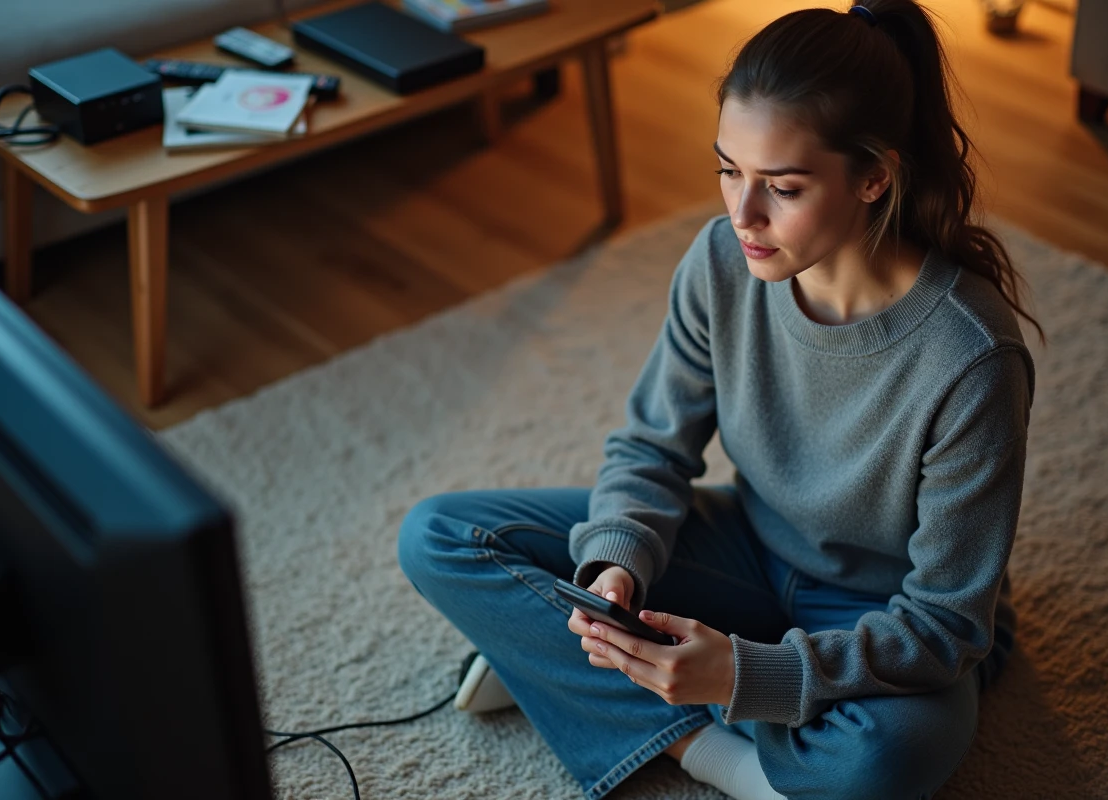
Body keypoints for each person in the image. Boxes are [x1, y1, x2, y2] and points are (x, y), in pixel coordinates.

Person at [398, 2, 1043, 798]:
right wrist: (616, 568)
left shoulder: (971, 358)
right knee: (440, 536)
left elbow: (947, 625)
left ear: (875, 176)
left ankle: (623, 703)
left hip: (880, 613)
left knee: (879, 759)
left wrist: (744, 673)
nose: (743, 215)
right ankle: (661, 697)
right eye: (728, 170)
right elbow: (652, 448)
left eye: (783, 186)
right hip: (749, 546)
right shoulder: (721, 260)